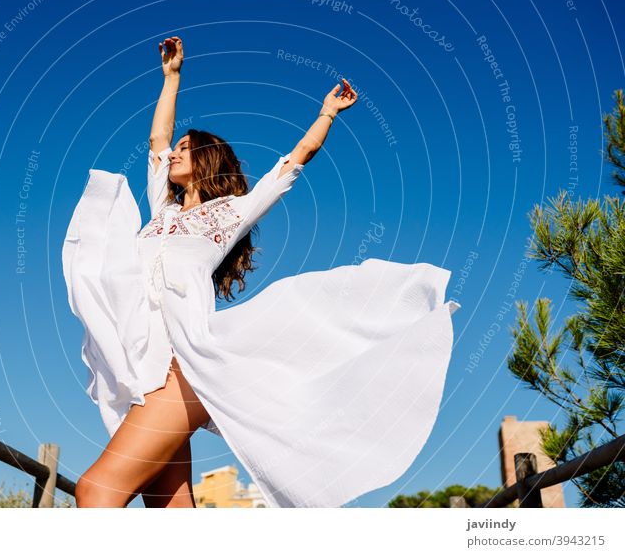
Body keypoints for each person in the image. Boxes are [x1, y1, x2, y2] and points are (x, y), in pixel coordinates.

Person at [62, 35, 460, 508]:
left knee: (94, 491)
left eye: (186, 149)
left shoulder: (230, 214)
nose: (174, 154)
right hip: (146, 371)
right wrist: (171, 79)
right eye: (176, 149)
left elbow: (293, 164)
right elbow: (157, 141)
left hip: (180, 368)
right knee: (170, 510)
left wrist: (327, 114)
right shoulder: (161, 213)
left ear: (207, 160)